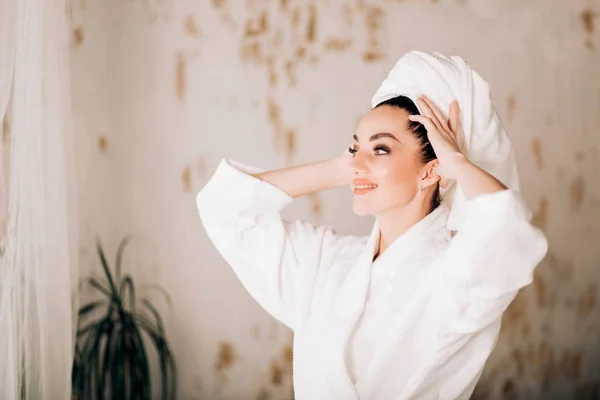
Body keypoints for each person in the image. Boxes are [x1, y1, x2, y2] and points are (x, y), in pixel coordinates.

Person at [196, 51, 548, 400]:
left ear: (431, 170)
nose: (358, 163)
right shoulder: (326, 263)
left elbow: (506, 232)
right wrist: (344, 166)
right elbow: (227, 210)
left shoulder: (455, 276)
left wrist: (455, 161)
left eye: (381, 149)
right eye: (354, 147)